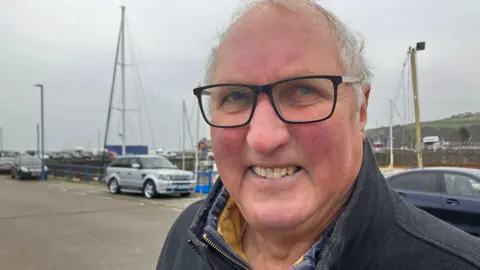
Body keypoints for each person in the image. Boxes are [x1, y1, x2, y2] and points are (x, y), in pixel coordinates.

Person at [157, 1, 480, 269]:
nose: (263, 138)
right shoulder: (188, 235)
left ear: (361, 111)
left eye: (302, 90)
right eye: (236, 97)